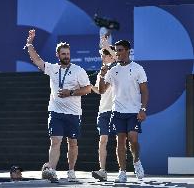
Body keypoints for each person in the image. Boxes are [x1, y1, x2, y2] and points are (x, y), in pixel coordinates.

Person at [26, 29, 91, 182]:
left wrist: (72, 92)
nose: (66, 56)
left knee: (73, 144)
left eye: (68, 54)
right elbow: (37, 60)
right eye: (63, 54)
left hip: (74, 114)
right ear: (58, 55)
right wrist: (29, 44)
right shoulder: (52, 69)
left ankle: (71, 170)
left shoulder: (78, 70)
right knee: (55, 141)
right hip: (55, 112)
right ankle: (52, 171)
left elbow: (88, 89)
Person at [98, 40, 149, 182]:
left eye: (120, 50)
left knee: (133, 139)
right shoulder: (112, 70)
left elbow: (144, 91)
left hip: (133, 111)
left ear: (127, 51)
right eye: (117, 50)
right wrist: (102, 75)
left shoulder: (138, 68)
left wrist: (143, 109)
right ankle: (123, 172)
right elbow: (102, 90)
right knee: (120, 141)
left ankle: (136, 161)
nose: (117, 53)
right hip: (117, 111)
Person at [91, 38, 117, 181]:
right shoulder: (102, 71)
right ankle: (102, 170)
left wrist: (107, 46)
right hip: (104, 111)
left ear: (110, 56)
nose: (102, 57)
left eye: (103, 54)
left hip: (117, 110)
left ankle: (123, 170)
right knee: (103, 140)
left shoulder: (118, 68)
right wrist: (88, 87)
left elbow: (118, 59)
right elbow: (100, 91)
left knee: (121, 140)